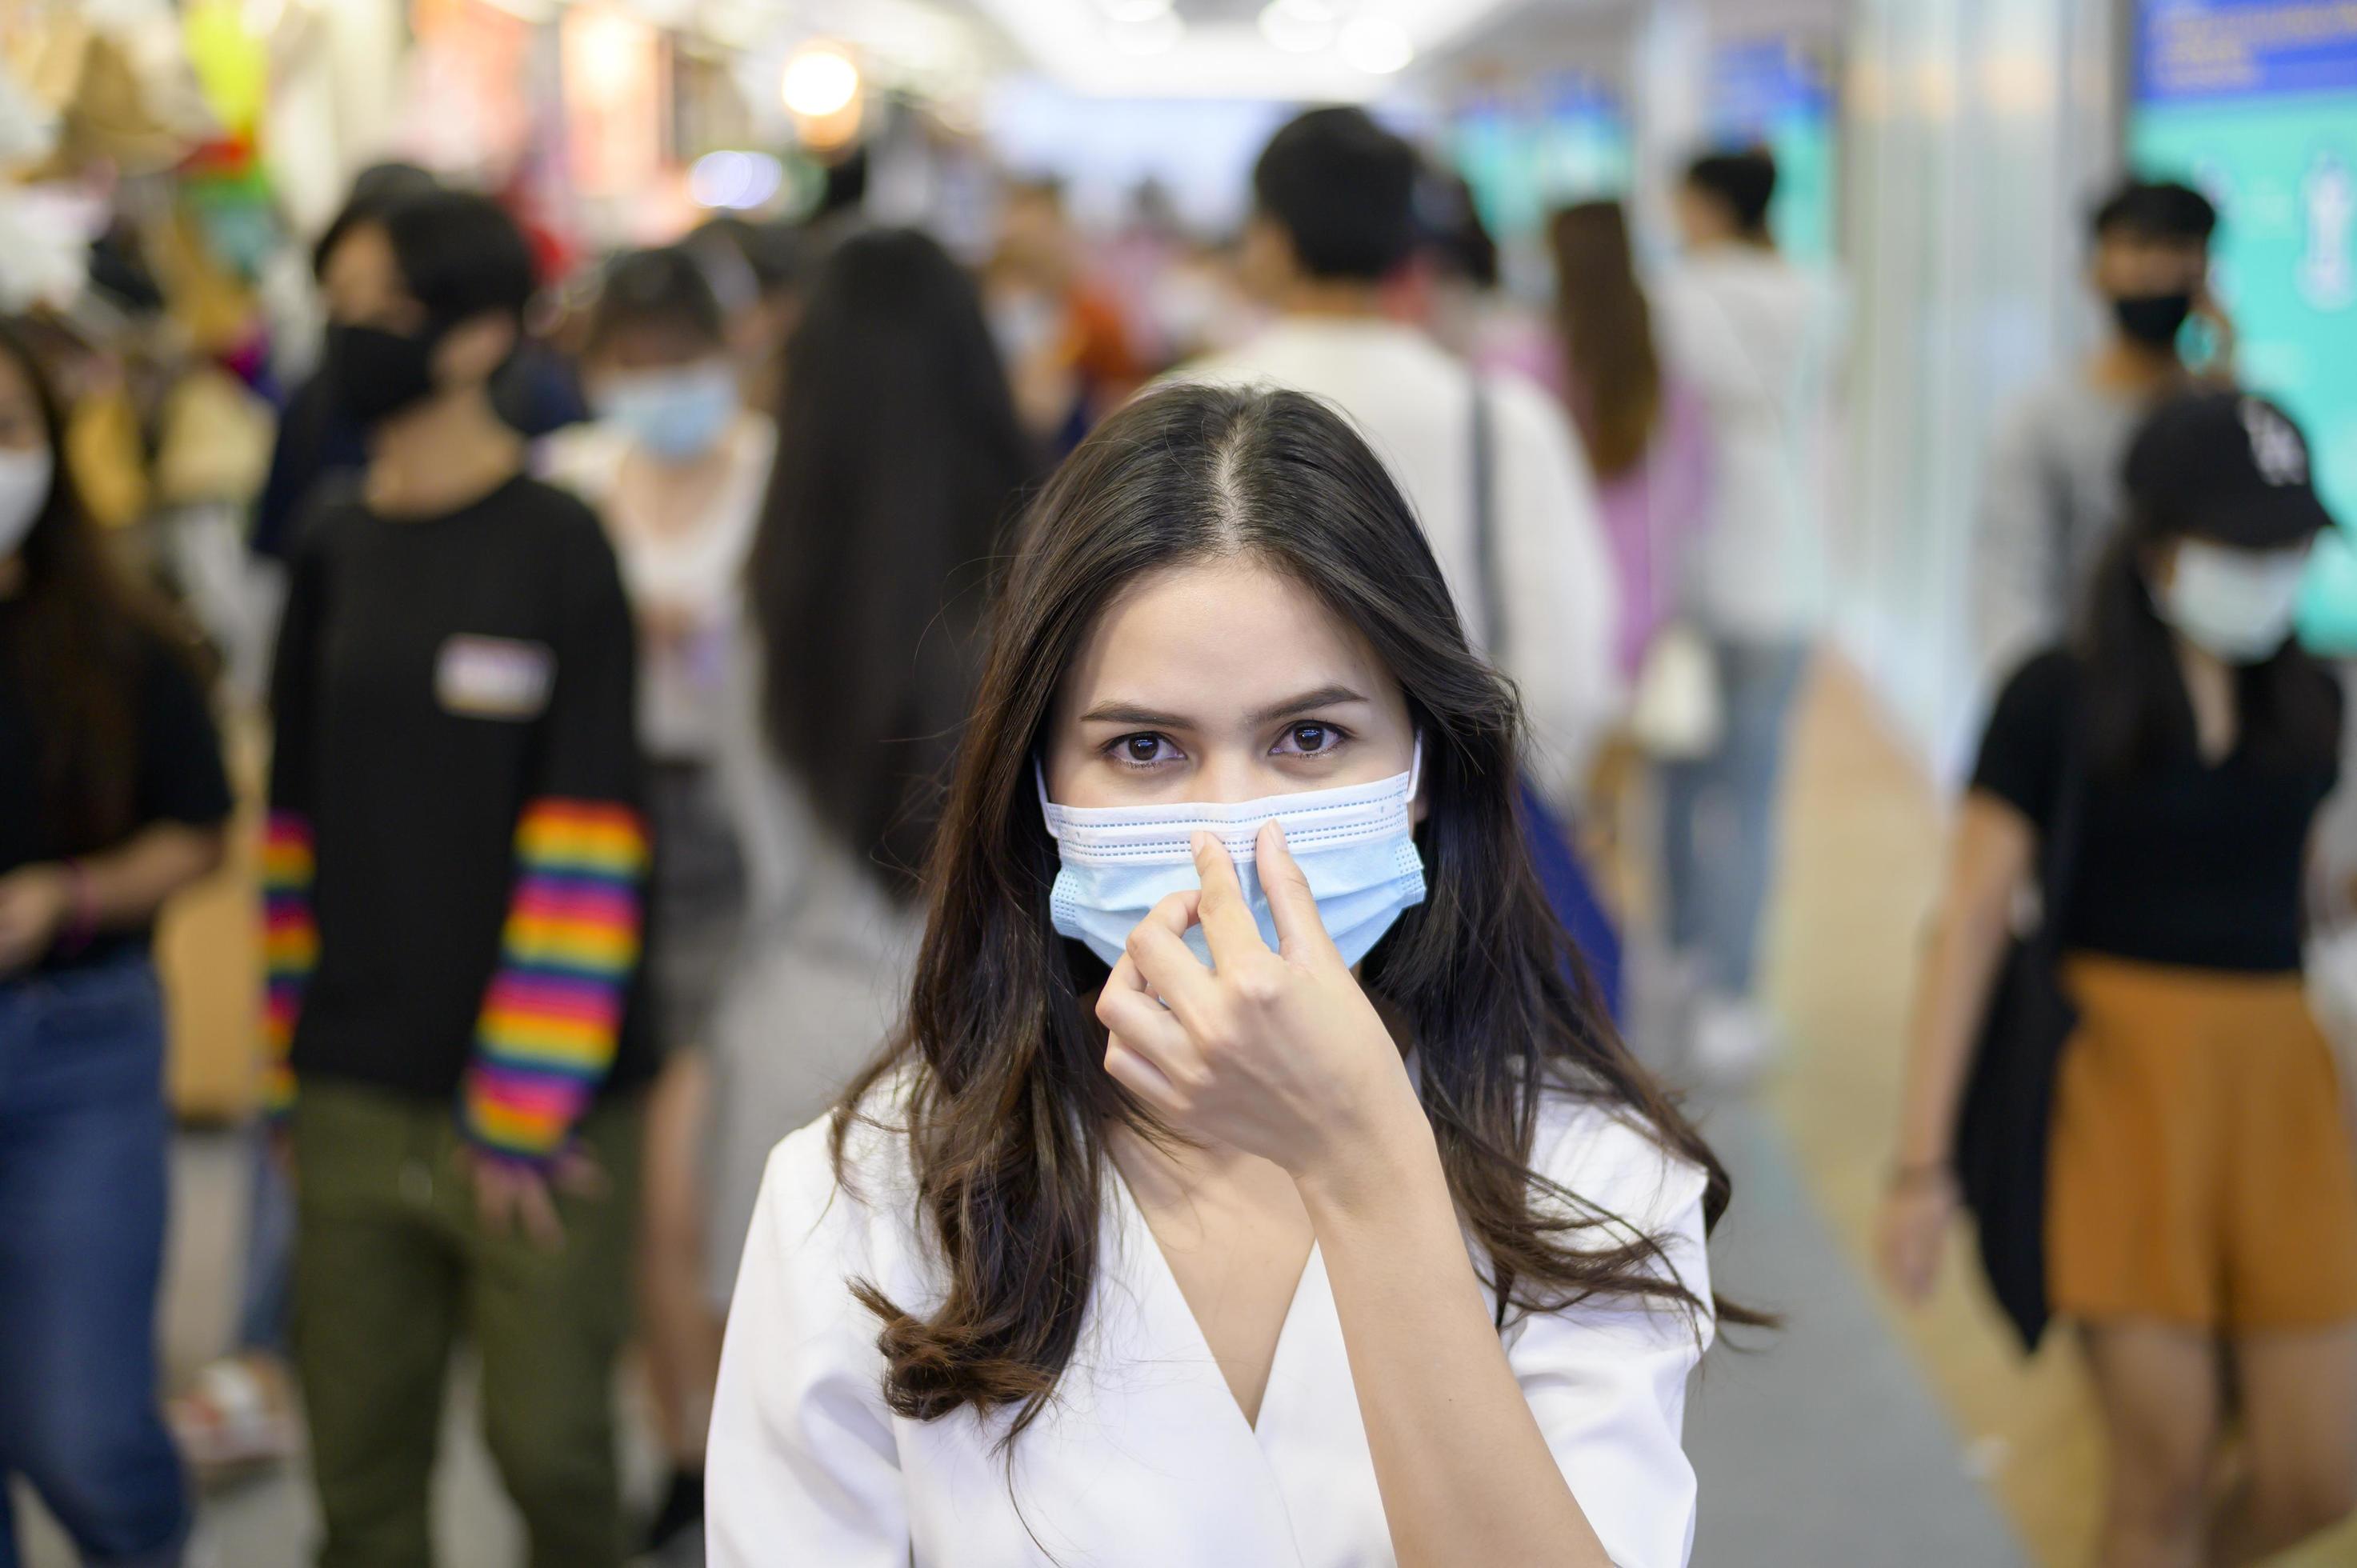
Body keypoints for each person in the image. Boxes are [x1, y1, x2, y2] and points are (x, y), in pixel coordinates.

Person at [706, 384, 1742, 1567]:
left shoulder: (1589, 1174)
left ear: (1418, 767)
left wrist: (1364, 1168)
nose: (1231, 834)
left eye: (1308, 738)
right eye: (1144, 748)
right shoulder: (860, 1201)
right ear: (1040, 793)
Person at [1881, 391, 2357, 1567]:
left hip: (2278, 1083)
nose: (2267, 570)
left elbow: (2305, 890)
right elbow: (1974, 919)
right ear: (2153, 546)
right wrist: (1920, 1163)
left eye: (2287, 543)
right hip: (2113, 1084)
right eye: (2238, 544)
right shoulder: (2055, 694)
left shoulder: (2311, 699)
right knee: (2161, 1470)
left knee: (2319, 1466)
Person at [264, 188, 652, 1568]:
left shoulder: (558, 544)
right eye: (340, 299)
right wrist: (282, 1064)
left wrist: (528, 1094)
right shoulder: (328, 543)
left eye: (384, 304)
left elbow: (594, 829)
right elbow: (290, 831)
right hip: (354, 1082)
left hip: (539, 1105)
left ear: (484, 331)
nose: (348, 332)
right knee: (360, 1468)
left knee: (550, 1451)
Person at [688, 227, 1038, 1536]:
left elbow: (759, 853)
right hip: (1010, 1038)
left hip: (799, 1035)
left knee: (809, 1454)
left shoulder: (766, 591)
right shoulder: (1047, 581)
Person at [1176, 107, 1620, 806]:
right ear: (1406, 243)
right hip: (1461, 818)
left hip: (1226, 820)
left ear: (1269, 239)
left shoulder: (1174, 409)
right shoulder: (1505, 417)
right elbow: (1568, 666)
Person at [539, 243, 770, 1557]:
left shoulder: (783, 476)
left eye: (678, 364)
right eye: (632, 368)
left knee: (703, 1166)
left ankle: (730, 1439)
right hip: (594, 820)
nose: (659, 389)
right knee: (633, 1167)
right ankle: (679, 1442)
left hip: (737, 828)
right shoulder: (566, 485)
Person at [0, 319, 229, 1568]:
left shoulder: (123, 639)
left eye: (9, 429)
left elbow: (200, 832)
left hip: (73, 1049)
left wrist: (68, 897)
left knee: (81, 1430)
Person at [1651, 147, 1843, 1076]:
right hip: (1787, 562)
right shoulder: (1821, 291)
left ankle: (1685, 956)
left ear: (1705, 203)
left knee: (1681, 777)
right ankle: (1734, 991)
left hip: (1693, 562)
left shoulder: (1673, 294)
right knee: (1753, 794)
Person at [1975, 179, 2225, 678]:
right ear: (2095, 270)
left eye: (2176, 248)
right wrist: (2040, 703)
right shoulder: (2041, 417)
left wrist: (2228, 396)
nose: (2156, 271)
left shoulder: (2221, 412)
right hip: (2083, 695)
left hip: (2201, 698)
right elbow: (2010, 585)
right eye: (2137, 247)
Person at [1550, 199, 1714, 684]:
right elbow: (1694, 498)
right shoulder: (1662, 375)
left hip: (1554, 601)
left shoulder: (1515, 365)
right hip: (1642, 603)